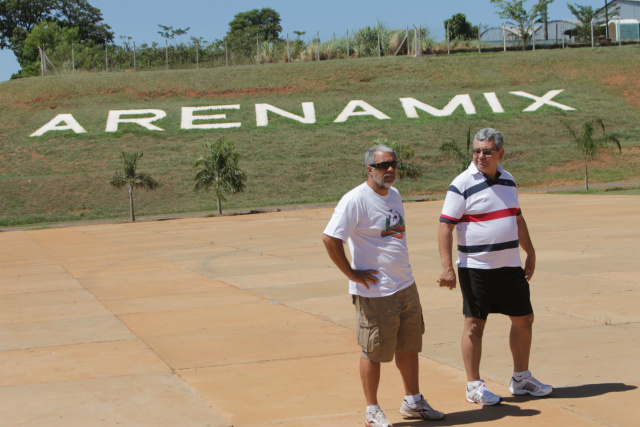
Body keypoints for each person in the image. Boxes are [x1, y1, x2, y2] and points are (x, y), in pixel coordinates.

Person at [322, 144, 444, 427]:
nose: (389, 170)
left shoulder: (395, 195)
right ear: (369, 169)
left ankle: (413, 402)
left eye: (393, 165)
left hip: (405, 285)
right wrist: (351, 273)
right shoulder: (355, 200)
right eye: (382, 165)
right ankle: (372, 410)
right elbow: (330, 238)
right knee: (373, 351)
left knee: (409, 346)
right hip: (375, 292)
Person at [438, 128, 553, 406]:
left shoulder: (508, 180)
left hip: (510, 266)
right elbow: (445, 226)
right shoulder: (462, 183)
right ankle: (474, 386)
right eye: (476, 150)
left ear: (500, 153)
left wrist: (530, 252)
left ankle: (521, 379)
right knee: (475, 324)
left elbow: (517, 218)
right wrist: (446, 266)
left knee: (524, 318)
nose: (480, 155)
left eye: (487, 151)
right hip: (475, 267)